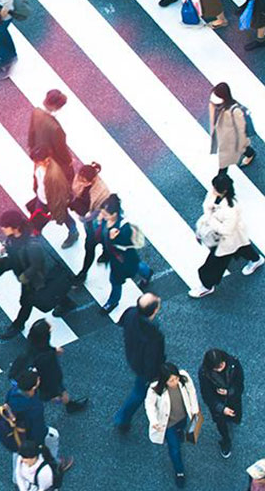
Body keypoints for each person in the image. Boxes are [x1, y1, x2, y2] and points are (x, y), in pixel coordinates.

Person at [0, 211, 73, 339]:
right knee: (45, 295)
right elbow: (12, 243)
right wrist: (5, 247)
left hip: (33, 279)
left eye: (5, 226)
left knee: (26, 302)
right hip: (28, 275)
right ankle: (66, 303)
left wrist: (24, 276)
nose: (2, 228)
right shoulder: (17, 236)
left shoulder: (31, 245)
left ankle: (18, 325)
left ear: (15, 227)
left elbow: (36, 265)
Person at [190, 173, 264, 297]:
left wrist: (210, 218)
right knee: (242, 248)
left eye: (215, 188)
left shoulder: (231, 209)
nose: (212, 190)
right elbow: (207, 205)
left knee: (212, 266)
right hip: (233, 237)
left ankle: (207, 286)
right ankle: (256, 259)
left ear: (223, 190)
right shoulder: (216, 195)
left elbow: (226, 230)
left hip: (225, 240)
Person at [84, 194, 152, 311]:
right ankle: (147, 273)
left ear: (114, 214)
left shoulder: (123, 228)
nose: (102, 216)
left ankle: (113, 301)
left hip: (123, 258)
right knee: (136, 267)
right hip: (116, 256)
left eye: (105, 214)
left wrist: (114, 238)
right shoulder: (107, 220)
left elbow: (127, 243)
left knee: (116, 280)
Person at [11, 318, 89, 412]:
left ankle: (56, 399)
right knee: (60, 391)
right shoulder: (46, 356)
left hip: (40, 378)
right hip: (48, 379)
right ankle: (68, 404)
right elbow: (51, 372)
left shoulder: (32, 344)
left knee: (50, 393)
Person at [115, 293, 166, 432]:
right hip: (145, 369)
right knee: (139, 392)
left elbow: (120, 323)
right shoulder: (153, 335)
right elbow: (152, 359)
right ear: (154, 310)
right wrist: (152, 376)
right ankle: (122, 418)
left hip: (132, 356)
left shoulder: (131, 312)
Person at [144, 363, 200, 487]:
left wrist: (194, 409)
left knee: (181, 430)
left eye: (176, 378)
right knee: (174, 450)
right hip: (168, 424)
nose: (175, 382)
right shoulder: (155, 388)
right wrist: (154, 421)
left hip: (182, 417)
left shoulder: (184, 376)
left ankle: (179, 433)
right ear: (164, 381)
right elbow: (149, 405)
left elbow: (192, 391)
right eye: (171, 380)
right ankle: (179, 471)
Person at [199, 348, 243, 459]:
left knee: (235, 416)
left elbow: (240, 383)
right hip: (218, 404)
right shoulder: (204, 373)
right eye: (216, 368)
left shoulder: (233, 363)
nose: (220, 369)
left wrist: (229, 392)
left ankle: (233, 420)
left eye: (222, 365)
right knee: (221, 423)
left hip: (233, 399)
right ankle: (226, 441)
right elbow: (207, 396)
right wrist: (221, 408)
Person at [30, 146, 76, 243]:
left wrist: (57, 206)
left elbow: (61, 193)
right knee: (38, 215)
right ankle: (37, 231)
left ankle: (73, 232)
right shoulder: (40, 166)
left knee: (65, 217)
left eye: (37, 161)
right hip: (42, 198)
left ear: (46, 160)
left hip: (53, 202)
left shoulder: (55, 175)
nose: (36, 163)